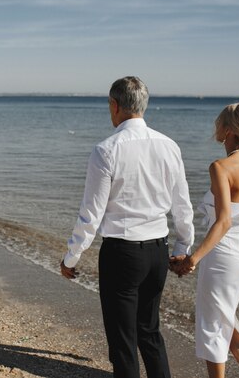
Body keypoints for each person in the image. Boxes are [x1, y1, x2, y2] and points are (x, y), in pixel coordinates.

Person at [60, 76, 195, 378]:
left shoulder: (106, 150)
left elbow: (91, 214)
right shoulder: (169, 146)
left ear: (115, 105)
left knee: (123, 341)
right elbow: (182, 205)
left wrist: (71, 258)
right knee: (150, 332)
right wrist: (182, 249)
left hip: (121, 254)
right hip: (157, 253)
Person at [172, 102, 239, 378]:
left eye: (219, 123)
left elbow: (223, 220)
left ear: (228, 130)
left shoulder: (220, 167)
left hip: (221, 258)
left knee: (213, 325)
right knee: (226, 319)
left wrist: (193, 259)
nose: (216, 127)